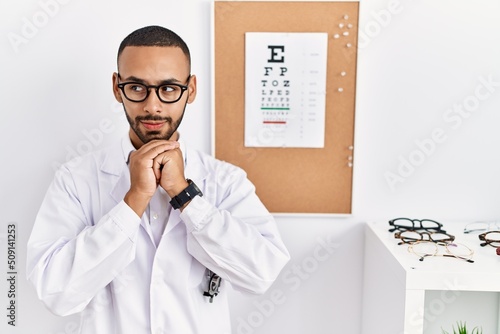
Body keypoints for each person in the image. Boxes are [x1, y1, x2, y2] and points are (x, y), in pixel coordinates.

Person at [27, 25, 290, 334]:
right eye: (137, 88)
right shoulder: (75, 179)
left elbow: (262, 274)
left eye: (168, 88)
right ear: (117, 86)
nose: (152, 106)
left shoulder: (225, 181)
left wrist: (185, 195)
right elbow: (56, 293)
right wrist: (134, 199)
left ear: (190, 89)